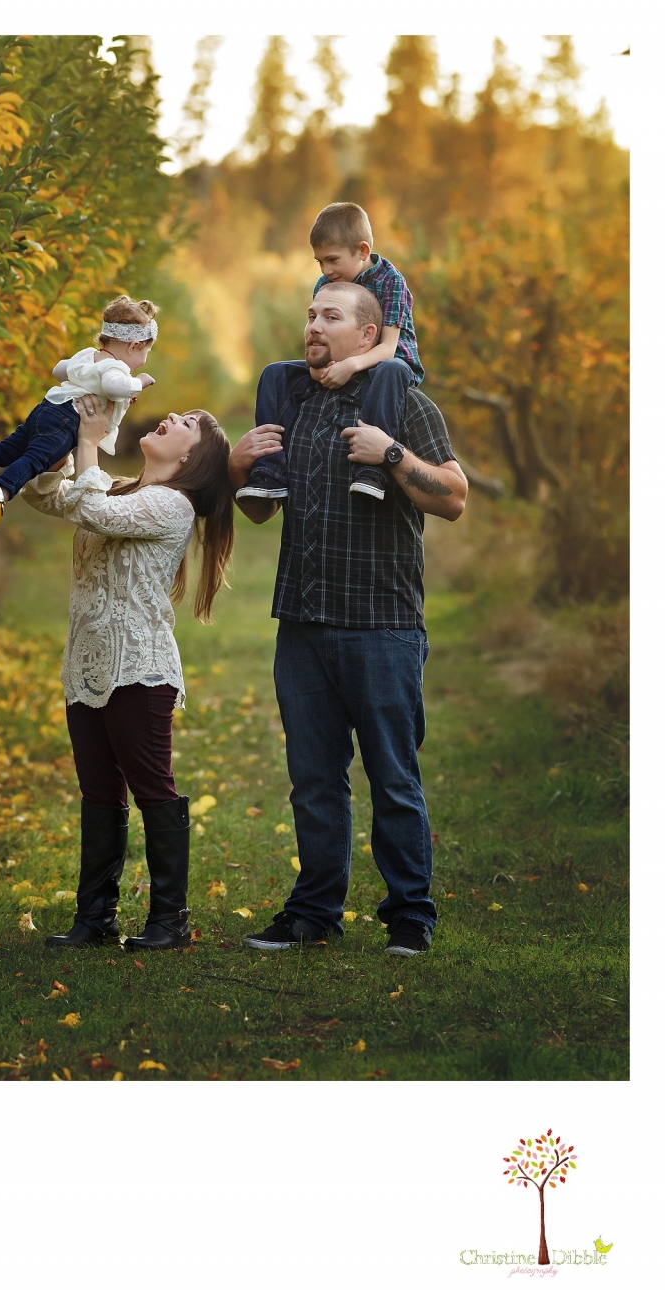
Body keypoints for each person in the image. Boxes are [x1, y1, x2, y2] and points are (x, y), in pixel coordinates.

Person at [229, 280, 467, 957]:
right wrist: (238, 463)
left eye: (330, 316)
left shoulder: (403, 401)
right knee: (313, 779)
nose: (313, 325)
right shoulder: (293, 404)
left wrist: (390, 454)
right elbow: (258, 509)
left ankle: (410, 916)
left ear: (368, 336)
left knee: (393, 776)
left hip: (382, 624)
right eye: (310, 313)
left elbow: (453, 499)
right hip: (301, 623)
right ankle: (312, 914)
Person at [20, 396, 234, 950]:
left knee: (150, 789)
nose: (172, 418)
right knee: (98, 791)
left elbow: (95, 514)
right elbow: (50, 499)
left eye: (186, 425)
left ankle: (170, 921)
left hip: (139, 668)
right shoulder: (118, 487)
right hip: (87, 661)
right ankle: (95, 920)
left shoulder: (173, 506)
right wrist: (56, 452)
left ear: (193, 460)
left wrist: (90, 442)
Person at [237, 201, 423, 505]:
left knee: (393, 371)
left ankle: (371, 471)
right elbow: (317, 335)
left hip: (387, 366)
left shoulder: (391, 282)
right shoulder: (327, 283)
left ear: (362, 252)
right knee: (275, 373)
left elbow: (388, 348)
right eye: (319, 261)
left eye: (332, 260)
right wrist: (316, 369)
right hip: (343, 363)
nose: (326, 270)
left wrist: (350, 365)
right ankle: (270, 470)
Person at [0, 296, 157, 534]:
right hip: (67, 420)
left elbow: (59, 370)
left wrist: (89, 379)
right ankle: (0, 490)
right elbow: (115, 385)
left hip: (47, 407)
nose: (141, 364)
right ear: (133, 345)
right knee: (37, 459)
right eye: (145, 354)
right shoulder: (117, 368)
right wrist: (138, 383)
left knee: (8, 448)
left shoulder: (87, 356)